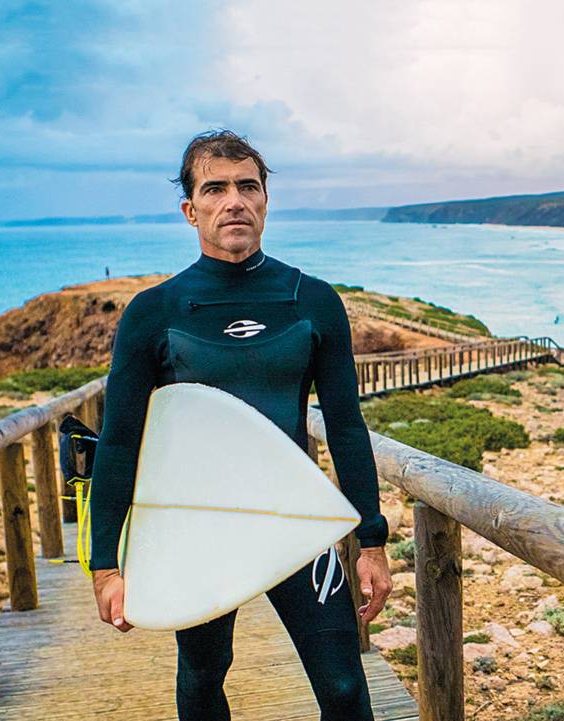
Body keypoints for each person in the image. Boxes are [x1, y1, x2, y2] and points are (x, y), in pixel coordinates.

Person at [87, 129, 392, 721]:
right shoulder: (154, 312)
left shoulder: (312, 300)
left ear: (265, 202)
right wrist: (106, 565)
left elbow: (346, 428)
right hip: (199, 524)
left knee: (345, 688)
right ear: (190, 210)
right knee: (203, 677)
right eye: (215, 189)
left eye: (248, 187)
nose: (234, 202)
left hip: (296, 521)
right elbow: (119, 442)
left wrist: (373, 543)